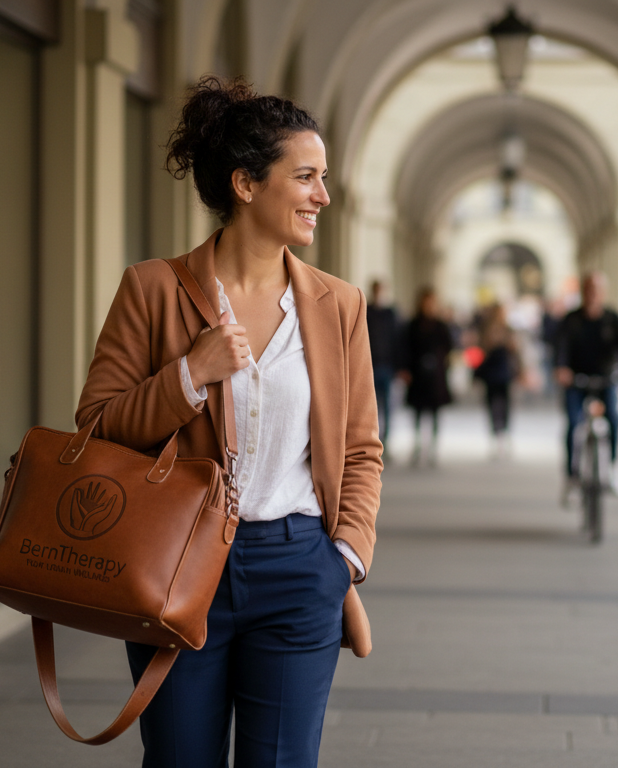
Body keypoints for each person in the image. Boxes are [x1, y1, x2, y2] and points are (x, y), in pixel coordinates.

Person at [75, 76, 382, 768]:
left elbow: (361, 447)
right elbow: (96, 428)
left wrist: (345, 558)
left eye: (324, 178)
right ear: (245, 184)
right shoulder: (152, 290)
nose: (322, 196)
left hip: (300, 568)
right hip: (176, 565)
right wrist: (190, 374)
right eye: (305, 177)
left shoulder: (338, 306)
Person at [555, 272, 618, 498]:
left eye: (597, 289)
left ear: (603, 293)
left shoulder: (612, 318)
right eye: (589, 289)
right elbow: (561, 346)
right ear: (583, 291)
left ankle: (614, 467)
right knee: (573, 423)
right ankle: (572, 476)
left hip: (605, 378)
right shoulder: (571, 319)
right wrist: (561, 368)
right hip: (576, 379)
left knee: (614, 420)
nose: (593, 294)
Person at [398, 286, 453, 467]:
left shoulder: (440, 326)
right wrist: (405, 369)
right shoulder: (413, 325)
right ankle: (417, 445)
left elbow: (448, 348)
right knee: (417, 412)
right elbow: (405, 348)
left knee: (435, 412)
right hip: (418, 374)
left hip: (435, 376)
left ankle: (433, 447)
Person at [474, 303, 520, 459]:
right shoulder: (485, 329)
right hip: (491, 372)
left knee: (506, 406)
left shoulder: (508, 330)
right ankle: (495, 436)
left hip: (505, 372)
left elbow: (516, 351)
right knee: (492, 405)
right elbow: (480, 350)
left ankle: (505, 435)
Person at [366, 279, 399, 454]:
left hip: (386, 365)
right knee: (370, 406)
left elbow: (396, 340)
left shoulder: (390, 314)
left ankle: (386, 439)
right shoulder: (366, 312)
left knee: (387, 405)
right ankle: (372, 439)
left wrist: (398, 366)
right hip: (369, 365)